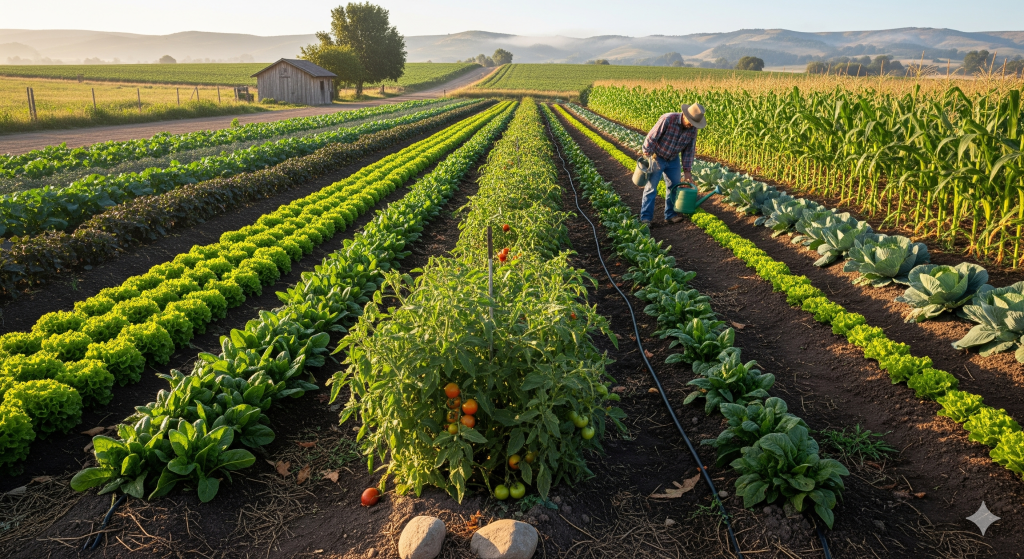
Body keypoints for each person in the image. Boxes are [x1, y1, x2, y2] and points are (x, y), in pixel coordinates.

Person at [639, 103, 707, 225]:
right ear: (685, 115)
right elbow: (651, 137)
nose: (691, 125)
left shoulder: (692, 130)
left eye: (694, 123)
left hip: (673, 159)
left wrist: (687, 171)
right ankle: (646, 218)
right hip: (657, 157)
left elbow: (689, 151)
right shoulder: (668, 119)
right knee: (651, 188)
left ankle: (670, 215)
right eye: (690, 122)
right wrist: (647, 155)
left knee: (674, 187)